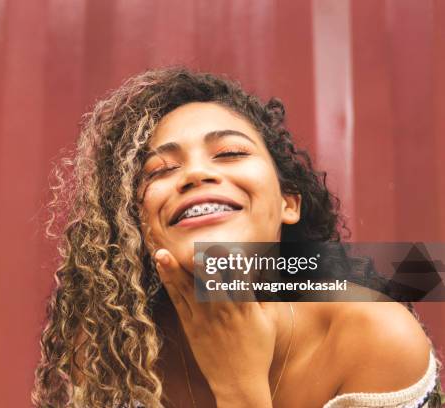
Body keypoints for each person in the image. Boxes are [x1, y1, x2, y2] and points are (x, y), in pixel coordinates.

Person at [32, 67, 442, 407]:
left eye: (231, 153)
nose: (196, 174)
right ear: (135, 222)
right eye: (159, 170)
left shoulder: (373, 338)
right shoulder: (113, 349)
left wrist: (239, 389)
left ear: (288, 204)